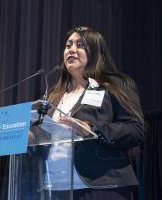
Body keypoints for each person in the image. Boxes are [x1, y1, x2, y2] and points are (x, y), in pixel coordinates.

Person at [37, 26, 144, 200]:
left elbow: (136, 130)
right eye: (68, 45)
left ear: (95, 52)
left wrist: (92, 130)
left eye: (80, 45)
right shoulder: (53, 95)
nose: (71, 49)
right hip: (54, 187)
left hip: (101, 185)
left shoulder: (115, 85)